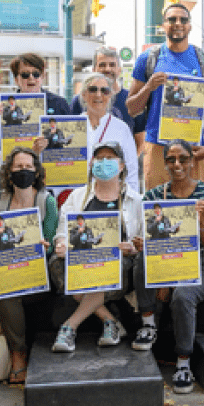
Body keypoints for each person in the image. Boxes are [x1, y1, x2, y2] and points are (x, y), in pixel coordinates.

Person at [138, 140, 204, 394]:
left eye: (183, 158)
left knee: (183, 295)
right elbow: (151, 242)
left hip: (196, 267)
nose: (177, 164)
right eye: (171, 159)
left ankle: (183, 363)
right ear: (164, 163)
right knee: (141, 258)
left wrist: (203, 222)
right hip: (163, 263)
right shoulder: (153, 196)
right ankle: (148, 324)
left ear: (192, 160)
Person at [51, 142, 146, 352]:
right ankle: (110, 321)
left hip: (119, 266)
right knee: (56, 263)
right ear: (91, 163)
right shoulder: (77, 197)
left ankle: (70, 326)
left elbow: (143, 239)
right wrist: (62, 244)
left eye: (110, 158)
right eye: (99, 158)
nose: (103, 163)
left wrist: (132, 247)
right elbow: (62, 231)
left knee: (116, 267)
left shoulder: (136, 201)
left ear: (121, 166)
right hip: (82, 262)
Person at [0, 146, 59, 383]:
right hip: (7, 267)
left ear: (36, 172)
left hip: (37, 270)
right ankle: (18, 353)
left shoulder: (47, 201)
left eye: (28, 167)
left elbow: (52, 242)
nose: (23, 171)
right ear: (8, 172)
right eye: (18, 167)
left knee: (3, 283)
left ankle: (11, 345)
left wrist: (44, 246)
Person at [126, 4, 204, 190]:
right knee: (157, 210)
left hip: (192, 148)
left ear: (190, 26)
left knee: (194, 211)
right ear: (163, 25)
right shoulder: (148, 58)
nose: (178, 24)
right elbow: (131, 108)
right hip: (157, 148)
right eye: (172, 19)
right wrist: (149, 87)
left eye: (183, 20)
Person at [43, 73, 140, 196]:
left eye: (104, 90)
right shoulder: (70, 127)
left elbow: (131, 169)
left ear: (110, 95)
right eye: (93, 90)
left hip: (111, 196)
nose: (98, 94)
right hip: (76, 197)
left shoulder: (121, 128)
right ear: (83, 94)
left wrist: (130, 198)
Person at [68, 47, 144, 151]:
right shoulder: (79, 101)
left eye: (112, 65)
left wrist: (128, 165)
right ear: (94, 70)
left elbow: (140, 141)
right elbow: (70, 137)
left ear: (119, 70)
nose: (107, 69)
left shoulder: (132, 100)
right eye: (102, 65)